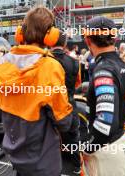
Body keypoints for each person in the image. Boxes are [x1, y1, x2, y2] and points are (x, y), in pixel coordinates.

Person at [0, 7, 77, 176]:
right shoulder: (50, 67)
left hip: (15, 154)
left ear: (20, 34)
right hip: (43, 162)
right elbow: (64, 122)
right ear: (50, 35)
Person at [83, 16, 125, 176]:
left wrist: (87, 148)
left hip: (106, 149)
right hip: (120, 140)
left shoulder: (103, 70)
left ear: (87, 40)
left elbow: (105, 121)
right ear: (115, 38)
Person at [51, 31, 81, 175]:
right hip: (69, 103)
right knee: (74, 137)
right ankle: (77, 167)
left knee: (50, 137)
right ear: (64, 44)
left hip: (50, 105)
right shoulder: (75, 62)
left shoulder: (44, 61)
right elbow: (77, 83)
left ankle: (53, 167)